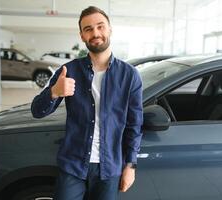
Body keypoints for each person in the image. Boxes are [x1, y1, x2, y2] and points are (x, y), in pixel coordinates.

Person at [31, 6, 143, 200]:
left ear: (109, 30)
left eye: (100, 27)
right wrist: (54, 92)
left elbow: (134, 124)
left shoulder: (129, 75)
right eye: (88, 29)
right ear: (82, 36)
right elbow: (37, 111)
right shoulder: (69, 70)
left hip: (109, 168)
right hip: (73, 166)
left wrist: (130, 165)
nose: (95, 33)